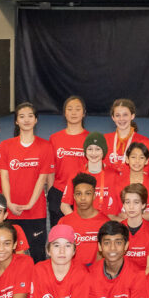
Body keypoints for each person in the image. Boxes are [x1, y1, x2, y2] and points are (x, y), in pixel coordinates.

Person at [0, 103, 55, 260]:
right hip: (11, 211)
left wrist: (30, 204)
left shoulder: (46, 146)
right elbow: (4, 177)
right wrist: (9, 203)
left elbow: (42, 179)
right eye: (22, 116)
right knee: (11, 256)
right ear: (16, 121)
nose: (26, 120)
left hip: (35, 211)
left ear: (36, 120)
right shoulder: (5, 146)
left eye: (30, 116)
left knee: (38, 255)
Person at [47, 96, 91, 226]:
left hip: (81, 193)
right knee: (59, 235)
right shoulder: (55, 138)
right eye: (70, 109)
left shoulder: (90, 139)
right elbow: (50, 169)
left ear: (84, 113)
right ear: (64, 113)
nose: (73, 112)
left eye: (78, 109)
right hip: (59, 192)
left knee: (81, 231)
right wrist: (51, 192)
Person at [56, 172, 107, 267]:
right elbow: (60, 254)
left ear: (94, 196)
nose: (83, 198)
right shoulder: (64, 222)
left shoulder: (105, 223)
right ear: (74, 196)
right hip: (72, 273)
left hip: (96, 274)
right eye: (79, 194)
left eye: (87, 193)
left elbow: (106, 256)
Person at [60, 134, 117, 217]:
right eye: (90, 149)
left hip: (106, 226)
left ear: (103, 151)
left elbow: (118, 207)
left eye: (98, 149)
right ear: (85, 151)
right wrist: (77, 220)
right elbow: (64, 206)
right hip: (82, 226)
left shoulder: (113, 175)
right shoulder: (76, 174)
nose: (93, 153)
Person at [120, 183, 149, 273]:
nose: (131, 207)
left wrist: (137, 284)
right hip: (123, 280)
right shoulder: (118, 229)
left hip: (144, 280)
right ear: (123, 205)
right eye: (127, 202)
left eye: (136, 202)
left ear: (143, 205)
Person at [104, 98, 149, 168]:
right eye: (117, 115)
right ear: (113, 118)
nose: (121, 119)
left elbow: (147, 169)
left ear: (132, 116)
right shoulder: (104, 139)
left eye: (125, 115)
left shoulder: (143, 141)